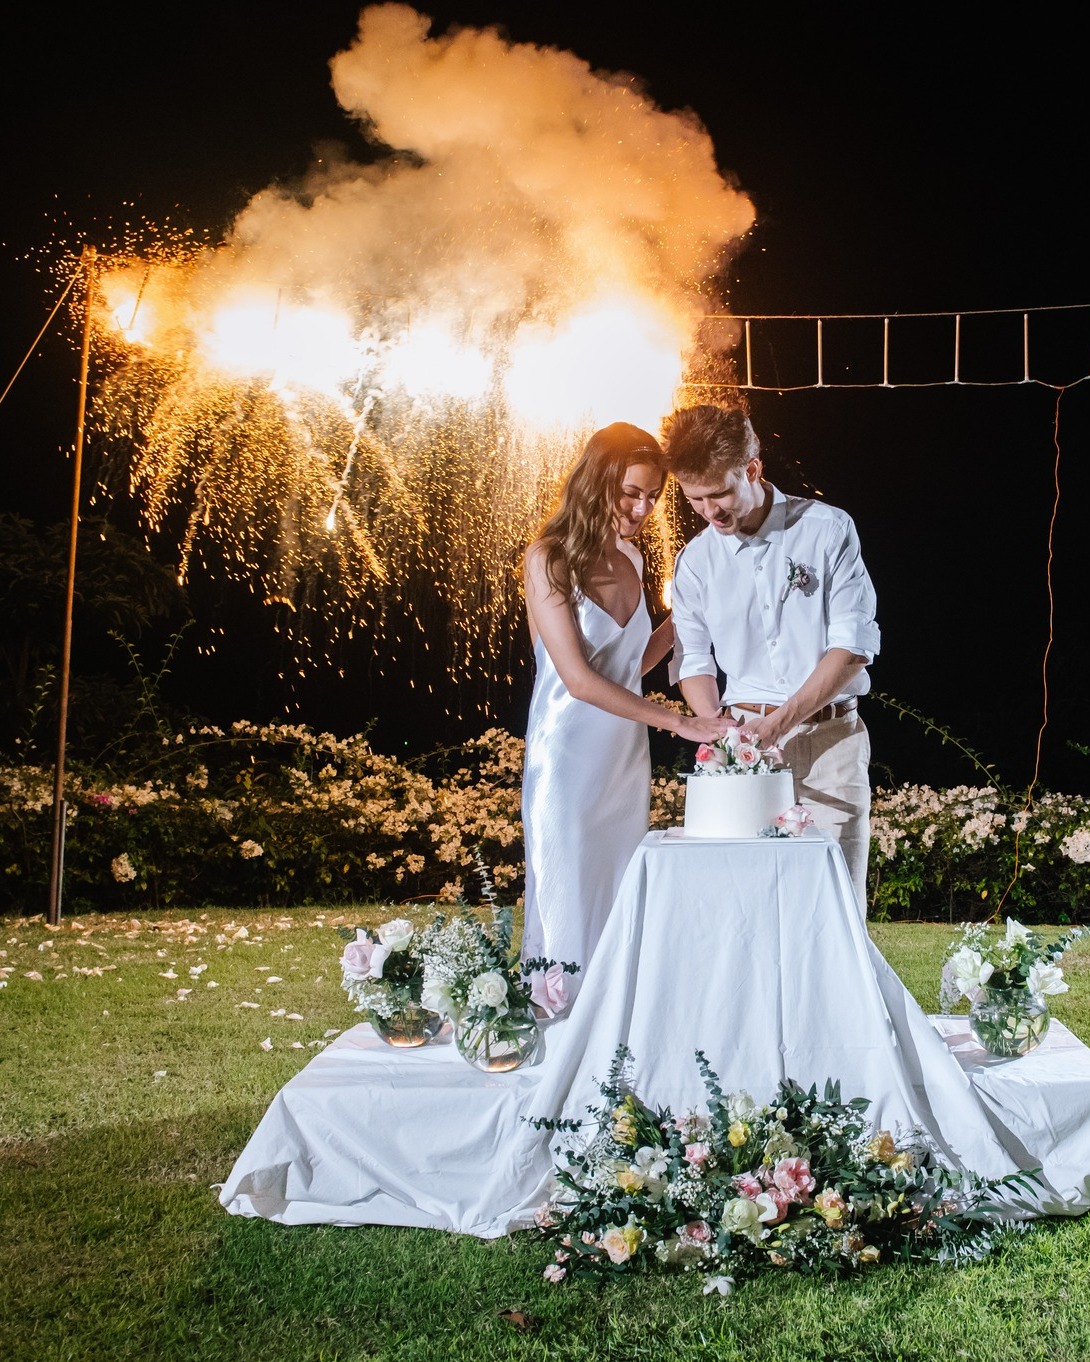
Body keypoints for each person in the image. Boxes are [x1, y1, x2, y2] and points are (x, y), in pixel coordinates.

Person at [519, 422, 730, 994]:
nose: (642, 509)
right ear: (597, 482)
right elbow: (581, 681)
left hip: (622, 757)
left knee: (618, 888)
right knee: (566, 890)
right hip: (566, 758)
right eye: (631, 492)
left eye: (653, 497)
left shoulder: (633, 559)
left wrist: (686, 617)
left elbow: (625, 667)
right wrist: (682, 722)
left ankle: (612, 1033)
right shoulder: (548, 560)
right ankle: (556, 1023)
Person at [660, 403, 880, 913]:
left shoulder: (827, 529)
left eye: (720, 494)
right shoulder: (694, 562)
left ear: (753, 469)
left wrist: (782, 721)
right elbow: (693, 659)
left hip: (830, 741)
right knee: (747, 904)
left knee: (836, 904)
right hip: (744, 753)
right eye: (694, 499)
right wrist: (717, 725)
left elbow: (852, 648)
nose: (709, 513)